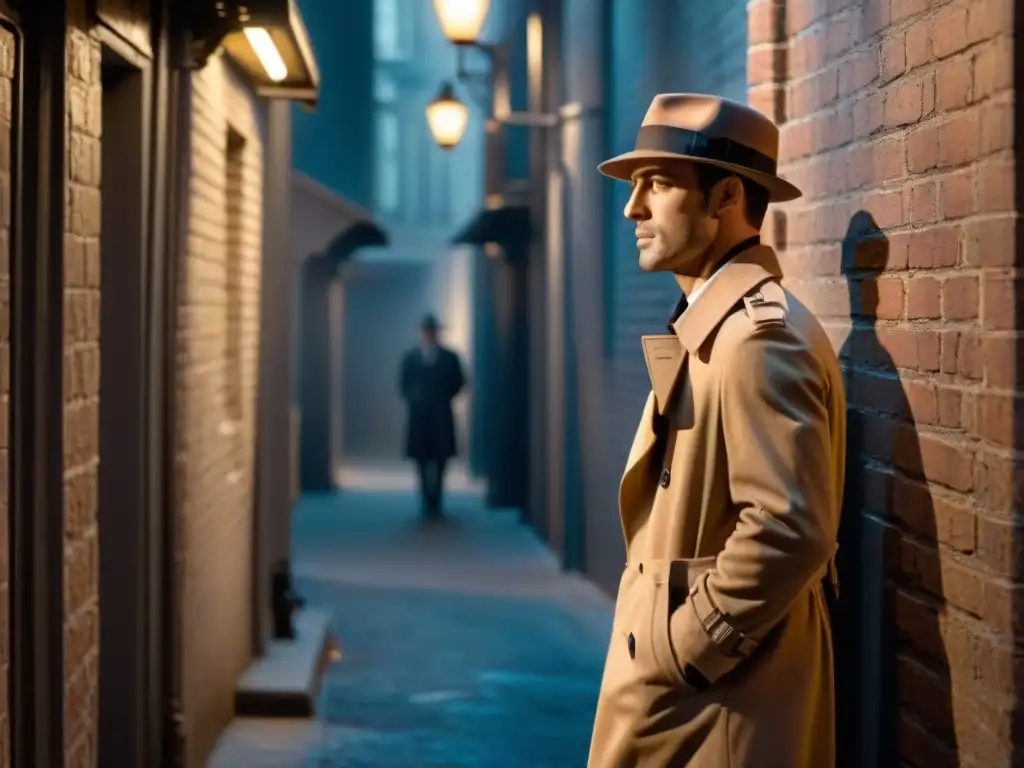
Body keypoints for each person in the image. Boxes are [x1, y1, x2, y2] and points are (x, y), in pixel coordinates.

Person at [586, 93, 847, 768]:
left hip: (717, 705)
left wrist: (686, 648)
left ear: (727, 195)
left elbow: (791, 528)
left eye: (660, 184)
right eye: (637, 186)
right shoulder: (717, 326)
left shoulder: (758, 340)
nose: (632, 208)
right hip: (693, 697)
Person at [398, 313, 466, 520]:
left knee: (441, 460)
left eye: (433, 331)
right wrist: (415, 398)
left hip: (441, 415)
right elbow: (403, 384)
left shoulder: (450, 357)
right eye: (427, 331)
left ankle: (437, 500)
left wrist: (443, 396)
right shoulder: (411, 358)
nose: (430, 335)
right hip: (419, 416)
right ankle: (426, 500)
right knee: (421, 459)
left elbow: (459, 382)